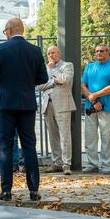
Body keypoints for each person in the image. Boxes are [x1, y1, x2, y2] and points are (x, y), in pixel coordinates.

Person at [0, 17, 48, 201]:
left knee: (5, 147)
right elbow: (43, 78)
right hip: (27, 104)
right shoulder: (35, 50)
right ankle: (34, 190)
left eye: (5, 32)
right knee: (29, 146)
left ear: (10, 30)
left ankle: (6, 190)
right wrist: (27, 82)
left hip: (5, 105)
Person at [80, 43, 110, 174]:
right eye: (97, 51)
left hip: (107, 108)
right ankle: (92, 164)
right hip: (91, 108)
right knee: (90, 137)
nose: (99, 53)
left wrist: (95, 95)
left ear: (108, 53)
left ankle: (105, 165)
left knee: (106, 137)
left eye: (102, 51)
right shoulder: (89, 67)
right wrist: (94, 100)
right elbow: (82, 86)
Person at [38, 46, 76, 175]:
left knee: (65, 136)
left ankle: (66, 164)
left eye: (53, 53)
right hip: (47, 105)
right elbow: (39, 86)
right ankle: (57, 163)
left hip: (63, 104)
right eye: (48, 53)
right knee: (53, 136)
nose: (51, 55)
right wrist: (53, 80)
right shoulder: (45, 68)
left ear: (59, 54)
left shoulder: (67, 66)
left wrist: (51, 75)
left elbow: (64, 80)